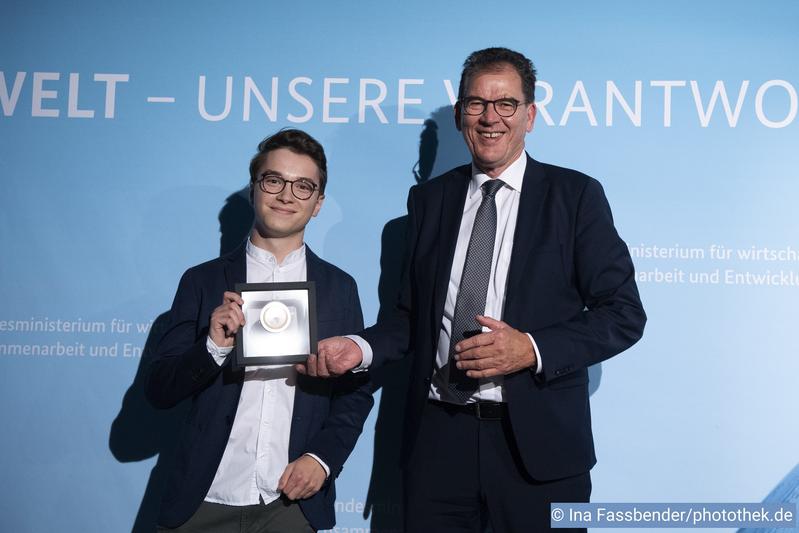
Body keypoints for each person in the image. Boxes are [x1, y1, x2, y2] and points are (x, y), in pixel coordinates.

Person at [300, 48, 646, 532]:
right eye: (476, 103)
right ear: (462, 112)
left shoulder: (576, 197)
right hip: (438, 443)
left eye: (505, 104)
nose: (490, 118)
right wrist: (356, 348)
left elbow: (623, 314)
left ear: (530, 115)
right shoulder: (429, 201)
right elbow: (409, 318)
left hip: (539, 451)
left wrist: (530, 348)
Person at [145, 129, 374, 532]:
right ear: (254, 189)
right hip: (204, 499)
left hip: (290, 503)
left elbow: (354, 395)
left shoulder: (340, 288)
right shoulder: (201, 281)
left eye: (303, 186)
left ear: (318, 203)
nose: (287, 195)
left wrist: (321, 460)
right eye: (274, 181)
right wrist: (212, 346)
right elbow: (160, 390)